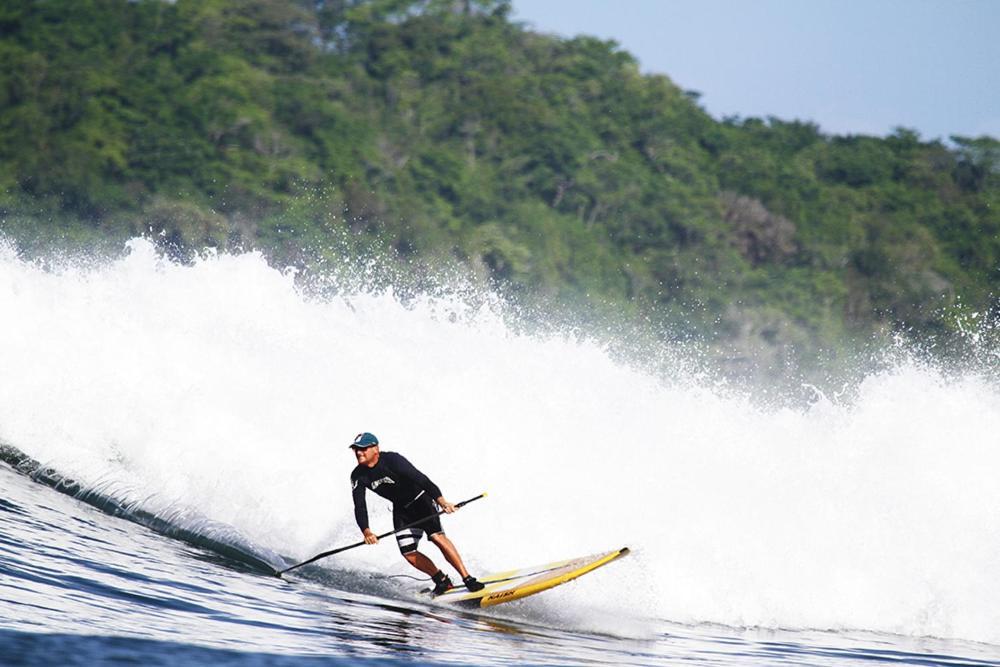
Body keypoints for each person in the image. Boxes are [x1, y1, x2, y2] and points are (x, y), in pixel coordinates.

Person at [348, 432, 484, 595]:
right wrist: (366, 531)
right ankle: (441, 580)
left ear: (375, 448)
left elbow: (422, 480)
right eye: (356, 449)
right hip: (401, 510)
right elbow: (360, 506)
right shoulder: (357, 475)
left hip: (422, 501)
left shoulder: (393, 460)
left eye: (363, 449)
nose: (358, 452)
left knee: (436, 537)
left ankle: (467, 578)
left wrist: (442, 501)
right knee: (408, 552)